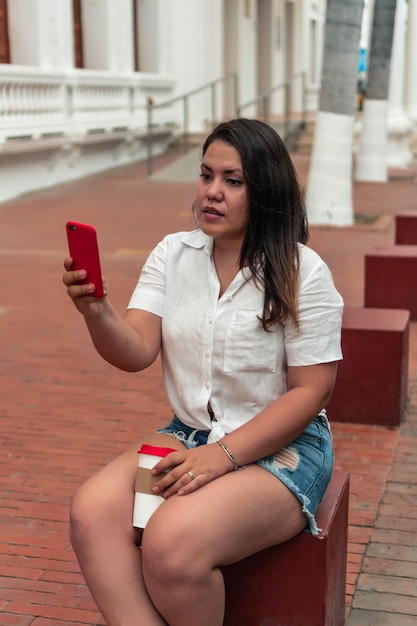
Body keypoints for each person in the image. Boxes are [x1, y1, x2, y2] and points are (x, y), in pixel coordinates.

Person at [63, 118, 343, 626]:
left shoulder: (303, 271)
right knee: (91, 512)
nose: (212, 192)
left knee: (171, 543)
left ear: (265, 189)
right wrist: (95, 310)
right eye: (206, 175)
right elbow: (135, 351)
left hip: (284, 449)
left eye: (233, 181)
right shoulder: (174, 254)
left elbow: (313, 390)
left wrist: (224, 456)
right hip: (189, 434)